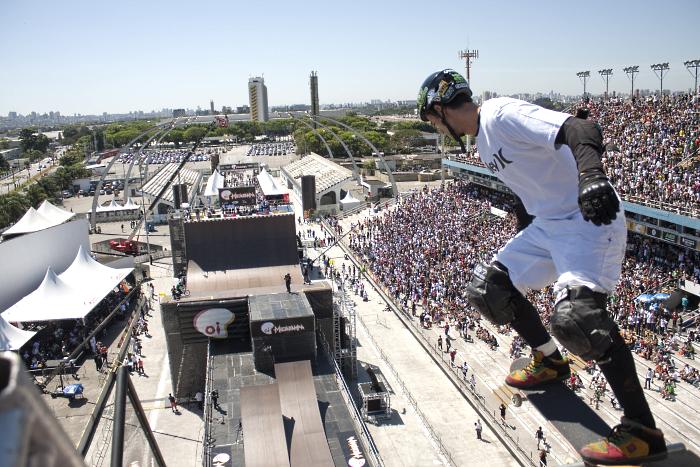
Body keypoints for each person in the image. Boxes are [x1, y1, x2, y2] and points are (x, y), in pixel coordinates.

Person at [417, 69, 666, 464]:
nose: (433, 126)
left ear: (439, 108)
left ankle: (643, 429)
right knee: (489, 288)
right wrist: (520, 245)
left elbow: (579, 128)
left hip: (587, 222)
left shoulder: (499, 114)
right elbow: (528, 192)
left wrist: (592, 178)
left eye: (431, 118)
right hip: (548, 226)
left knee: (579, 322)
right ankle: (549, 360)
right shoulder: (483, 141)